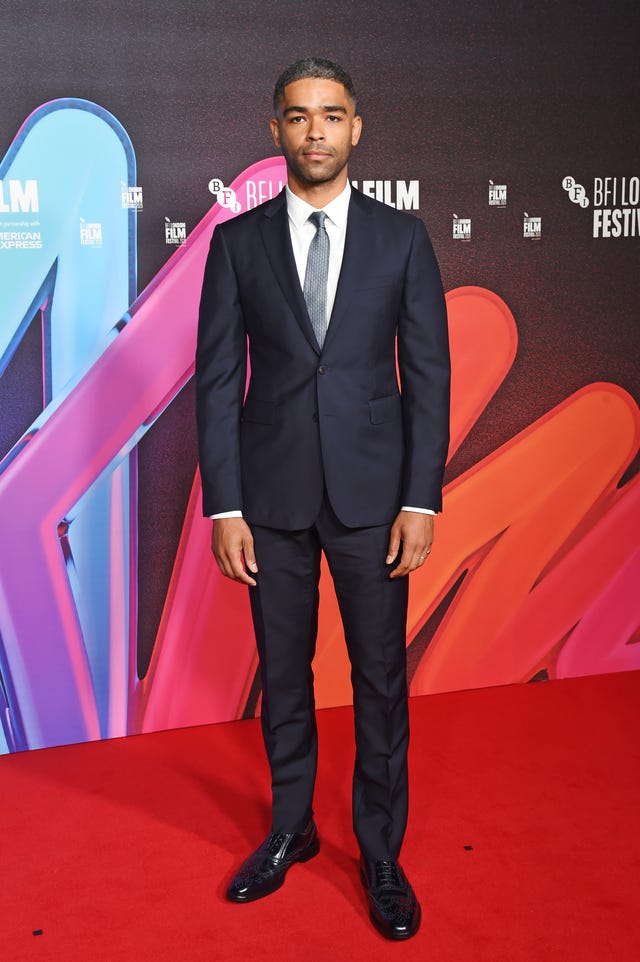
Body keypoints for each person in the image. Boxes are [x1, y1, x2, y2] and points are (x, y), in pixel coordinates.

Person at [196, 56, 450, 941]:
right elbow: (217, 380)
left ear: (356, 128)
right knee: (284, 675)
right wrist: (225, 507)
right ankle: (291, 827)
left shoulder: (402, 238)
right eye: (299, 116)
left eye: (331, 115)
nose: (316, 131)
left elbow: (428, 375)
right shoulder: (236, 244)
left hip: (375, 501)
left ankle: (380, 850)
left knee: (379, 679)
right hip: (270, 502)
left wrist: (421, 499)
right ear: (276, 130)